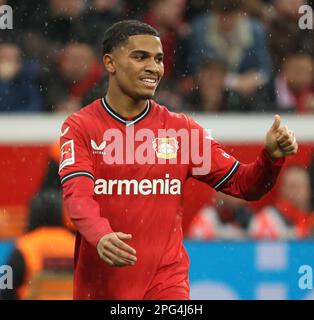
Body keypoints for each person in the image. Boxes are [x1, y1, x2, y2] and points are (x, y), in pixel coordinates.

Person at [58, 20, 298, 300]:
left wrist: (270, 158)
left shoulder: (180, 131)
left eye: (158, 59)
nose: (153, 67)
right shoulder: (80, 127)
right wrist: (100, 235)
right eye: (140, 57)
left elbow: (245, 185)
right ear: (110, 63)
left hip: (166, 283)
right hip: (101, 284)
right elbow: (77, 198)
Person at [0, 189, 75, 300]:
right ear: (60, 215)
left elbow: (5, 290)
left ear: (32, 215)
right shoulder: (75, 245)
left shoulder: (24, 247)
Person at [249, 166, 313, 239]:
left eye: (302, 186)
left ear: (309, 190)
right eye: (293, 186)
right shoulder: (267, 218)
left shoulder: (310, 218)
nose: (298, 191)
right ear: (282, 189)